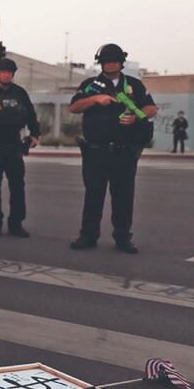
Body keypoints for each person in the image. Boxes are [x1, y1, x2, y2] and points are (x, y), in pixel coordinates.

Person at [68, 43, 157, 254]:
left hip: (124, 152)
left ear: (121, 62)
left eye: (114, 61)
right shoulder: (91, 85)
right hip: (96, 151)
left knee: (124, 197)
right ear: (101, 63)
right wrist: (95, 99)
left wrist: (136, 117)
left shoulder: (134, 84)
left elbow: (151, 108)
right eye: (106, 61)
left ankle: (123, 237)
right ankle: (88, 235)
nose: (110, 65)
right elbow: (74, 107)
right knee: (93, 195)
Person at [0, 57, 40, 238]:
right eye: (3, 72)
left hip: (13, 144)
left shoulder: (20, 93)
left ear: (13, 74)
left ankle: (16, 223)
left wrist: (35, 134)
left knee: (17, 186)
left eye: (9, 72)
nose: (6, 75)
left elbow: (31, 114)